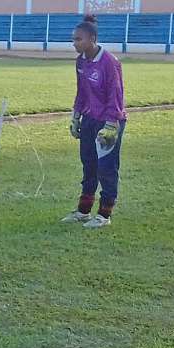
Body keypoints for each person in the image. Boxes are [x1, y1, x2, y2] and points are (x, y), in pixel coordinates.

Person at [61, 14, 127, 228]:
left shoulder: (109, 62)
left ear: (92, 39)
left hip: (109, 121)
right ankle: (83, 211)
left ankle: (104, 214)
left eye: (78, 39)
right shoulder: (80, 61)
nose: (74, 44)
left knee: (106, 167)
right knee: (88, 165)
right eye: (73, 40)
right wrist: (76, 115)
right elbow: (82, 91)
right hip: (89, 119)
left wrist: (111, 124)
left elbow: (115, 94)